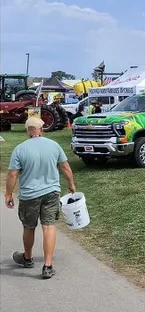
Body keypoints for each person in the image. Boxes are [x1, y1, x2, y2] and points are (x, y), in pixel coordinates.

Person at [5, 116, 76, 279]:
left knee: (29, 227)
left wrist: (8, 194)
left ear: (27, 131)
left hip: (29, 195)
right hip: (51, 193)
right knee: (48, 226)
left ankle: (28, 258)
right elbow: (65, 166)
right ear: (42, 130)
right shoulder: (54, 145)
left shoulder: (20, 149)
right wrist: (71, 184)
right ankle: (47, 266)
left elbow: (12, 174)